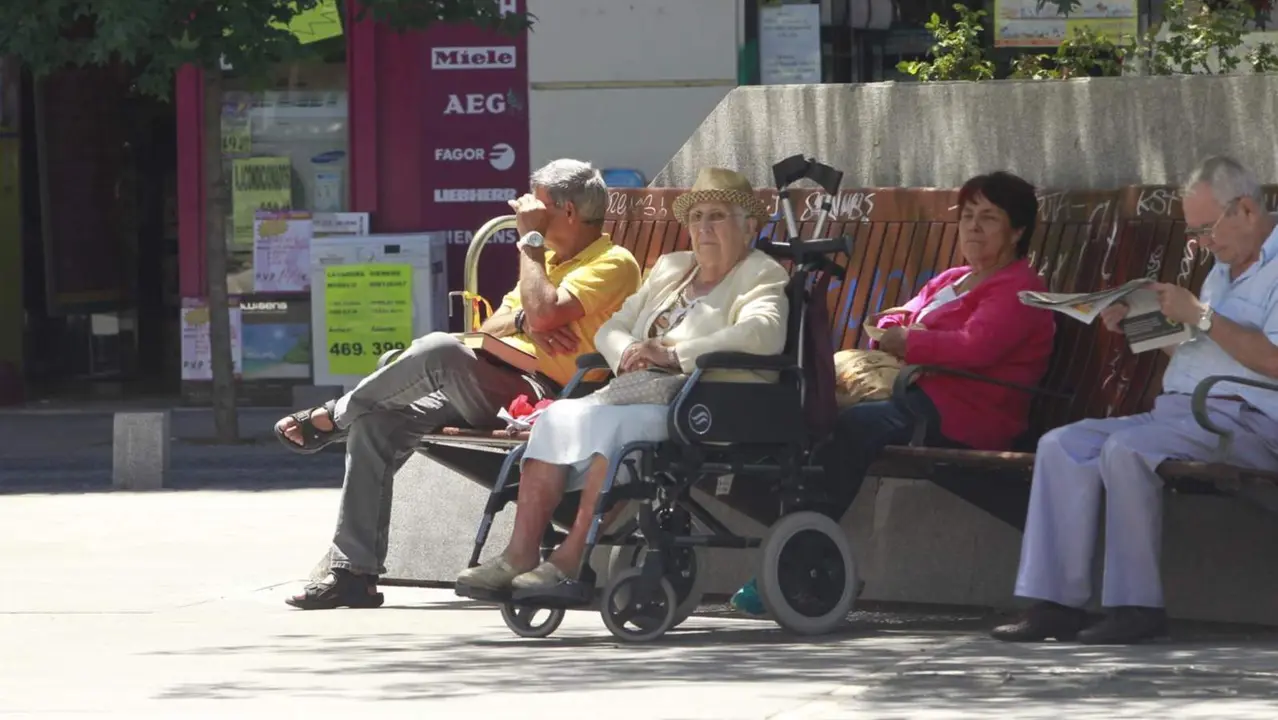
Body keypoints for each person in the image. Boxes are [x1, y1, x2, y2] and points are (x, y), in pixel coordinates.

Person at [278, 159, 642, 610]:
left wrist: (530, 251)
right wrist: (528, 319)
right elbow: (493, 326)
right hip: (492, 378)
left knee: (440, 348)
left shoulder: (613, 262)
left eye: (536, 205)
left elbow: (545, 312)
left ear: (568, 211)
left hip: (548, 395)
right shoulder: (548, 262)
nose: (523, 211)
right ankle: (353, 574)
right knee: (377, 424)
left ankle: (335, 416)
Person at [731, 170, 1057, 615]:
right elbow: (897, 316)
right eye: (967, 216)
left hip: (971, 412)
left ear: (1017, 231)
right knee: (808, 411)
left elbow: (975, 346)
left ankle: (795, 560)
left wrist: (912, 342)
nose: (973, 227)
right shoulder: (954, 278)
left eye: (989, 218)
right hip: (918, 398)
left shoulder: (1020, 288)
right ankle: (798, 546)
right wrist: (897, 331)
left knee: (854, 426)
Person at [454, 167, 791, 596]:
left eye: (718, 216)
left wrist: (673, 354)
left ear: (750, 227)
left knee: (615, 430)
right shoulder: (673, 268)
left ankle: (570, 559)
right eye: (697, 217)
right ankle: (519, 554)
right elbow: (613, 327)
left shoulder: (761, 273)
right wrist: (630, 353)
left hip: (707, 401)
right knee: (555, 418)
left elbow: (763, 333)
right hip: (640, 389)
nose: (704, 227)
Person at [992, 155, 1278, 645]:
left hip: (1247, 421)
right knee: (1061, 445)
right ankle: (1055, 604)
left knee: (1128, 450)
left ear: (1247, 211)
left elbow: (1271, 360)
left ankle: (1136, 606)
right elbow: (1201, 350)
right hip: (1182, 413)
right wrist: (1140, 324)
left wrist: (1203, 316)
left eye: (1205, 229)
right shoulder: (1225, 266)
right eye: (1194, 232)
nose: (1201, 243)